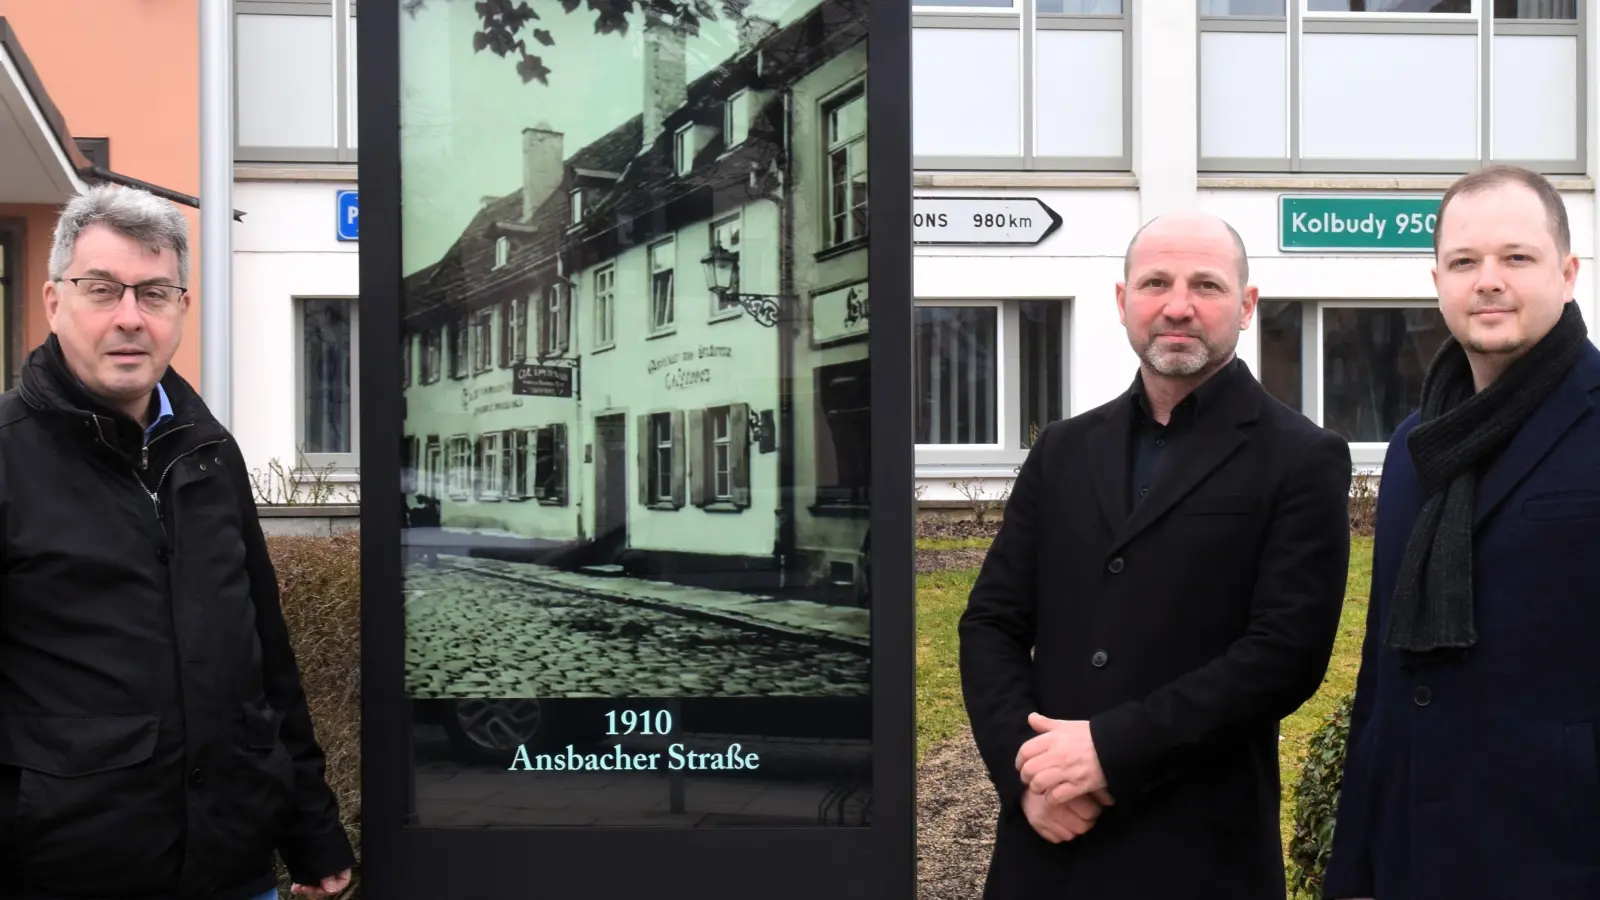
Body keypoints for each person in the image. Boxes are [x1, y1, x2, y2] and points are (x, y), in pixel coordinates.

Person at [959, 210, 1353, 899]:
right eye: (1155, 283)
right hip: (1050, 843)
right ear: (1121, 303)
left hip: (1199, 849)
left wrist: (1108, 751)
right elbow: (991, 622)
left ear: (1245, 306)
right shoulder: (1063, 450)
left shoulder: (1301, 457)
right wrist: (1025, 775)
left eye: (1205, 285)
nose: (1178, 305)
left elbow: (1285, 655)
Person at [0, 184, 355, 899]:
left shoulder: (209, 453)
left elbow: (266, 659)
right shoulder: (8, 459)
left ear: (181, 310)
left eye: (154, 293)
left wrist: (311, 832)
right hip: (64, 871)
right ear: (52, 301)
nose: (129, 317)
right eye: (102, 289)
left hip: (232, 866)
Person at [1322, 166, 1600, 900]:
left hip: (1560, 855)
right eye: (1465, 261)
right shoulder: (1417, 446)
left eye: (1517, 258)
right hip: (1419, 852)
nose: (1488, 281)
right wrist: (1355, 868)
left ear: (1568, 274)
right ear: (1437, 279)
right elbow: (1384, 679)